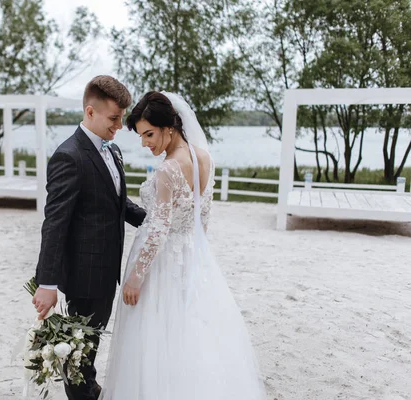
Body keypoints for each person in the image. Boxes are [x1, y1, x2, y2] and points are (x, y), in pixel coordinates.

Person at [101, 91, 266, 400]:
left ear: (170, 128)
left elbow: (159, 229)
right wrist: (195, 255)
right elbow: (204, 217)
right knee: (189, 330)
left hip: (159, 264)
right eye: (140, 136)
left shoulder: (168, 170)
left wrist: (136, 276)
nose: (145, 143)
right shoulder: (204, 157)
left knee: (155, 336)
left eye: (149, 134)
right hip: (190, 254)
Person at [32, 75, 147, 400]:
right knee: (77, 356)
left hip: (107, 272)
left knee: (88, 348)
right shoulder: (69, 156)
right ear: (90, 112)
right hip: (84, 277)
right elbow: (54, 223)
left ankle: (90, 388)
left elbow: (115, 200)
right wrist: (48, 283)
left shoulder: (109, 149)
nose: (120, 126)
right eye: (114, 118)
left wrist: (150, 222)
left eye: (122, 118)